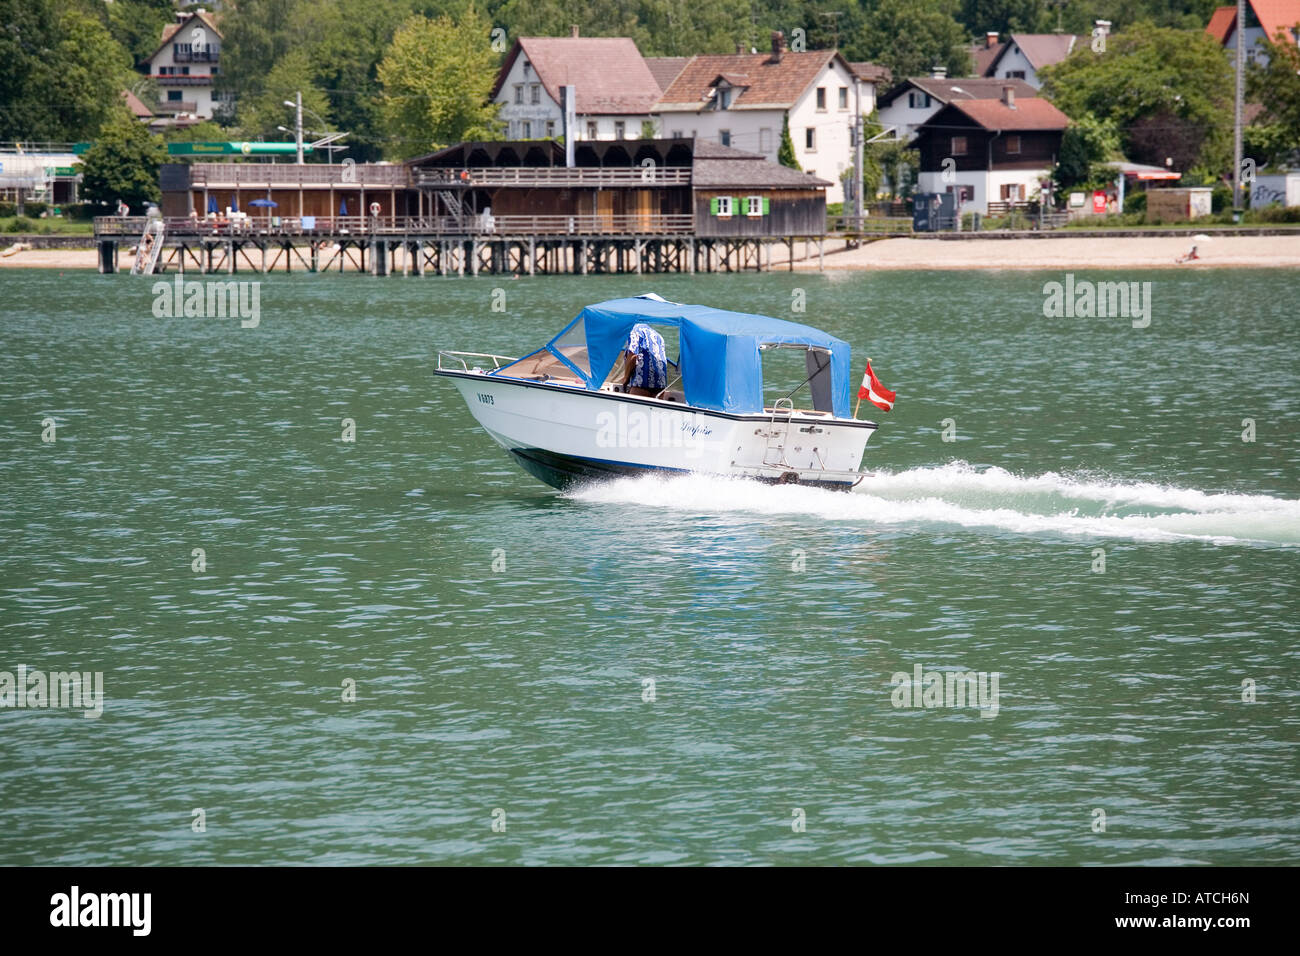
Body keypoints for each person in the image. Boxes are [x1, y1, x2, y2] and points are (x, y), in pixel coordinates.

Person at [620, 323, 668, 397]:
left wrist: (626, 378)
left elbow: (633, 356)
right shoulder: (658, 335)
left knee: (634, 408)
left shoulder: (634, 331)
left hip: (642, 381)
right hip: (661, 383)